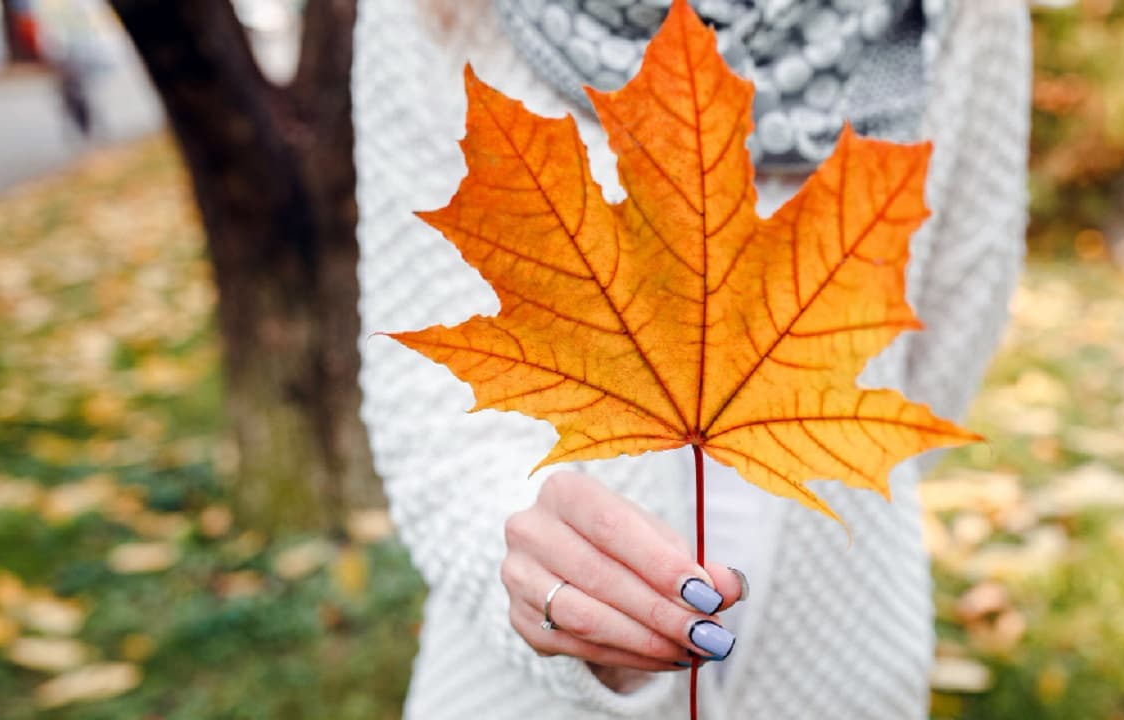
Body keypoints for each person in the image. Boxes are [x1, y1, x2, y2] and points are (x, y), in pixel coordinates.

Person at [352, 1, 1031, 718]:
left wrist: (807, 433)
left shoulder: (958, 12)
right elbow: (431, 406)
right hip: (517, 695)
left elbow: (947, 346)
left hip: (845, 666)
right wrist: (529, 580)